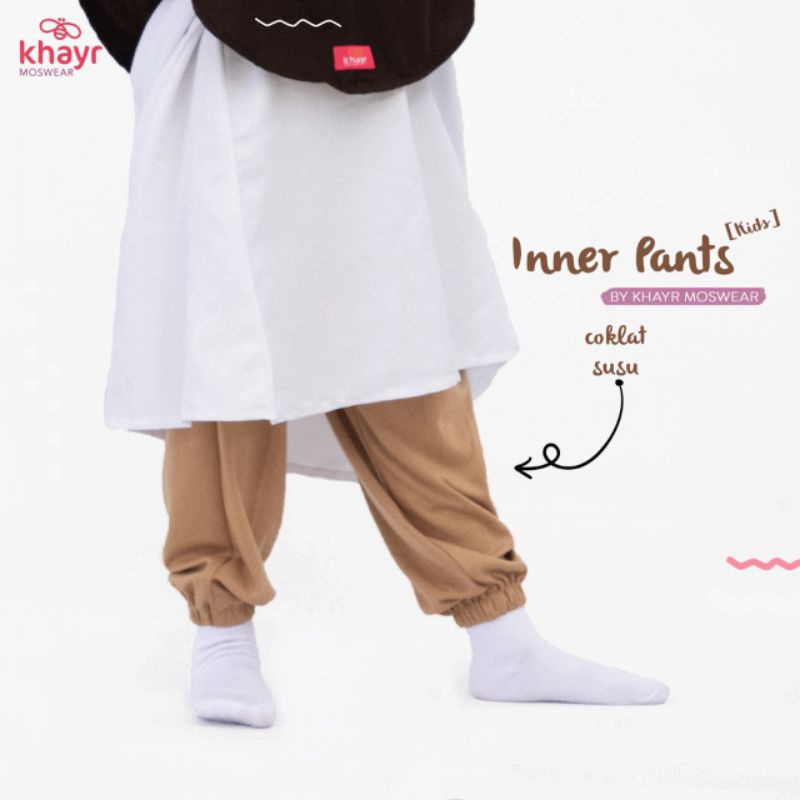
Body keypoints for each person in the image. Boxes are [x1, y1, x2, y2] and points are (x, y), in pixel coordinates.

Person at [93, 0, 669, 727]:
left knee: (404, 331)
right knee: (229, 339)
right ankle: (221, 632)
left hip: (384, 30)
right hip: (228, 46)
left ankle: (502, 637)